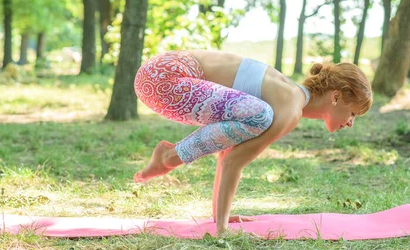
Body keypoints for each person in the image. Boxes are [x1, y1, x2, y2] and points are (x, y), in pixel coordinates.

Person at [133, 50, 372, 234]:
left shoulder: (288, 96)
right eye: (352, 113)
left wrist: (220, 218)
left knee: (256, 115)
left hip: (156, 76)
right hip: (165, 77)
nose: (351, 122)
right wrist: (222, 231)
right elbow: (234, 163)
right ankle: (168, 157)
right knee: (260, 115)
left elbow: (228, 154)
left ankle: (168, 158)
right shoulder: (290, 109)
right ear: (336, 96)